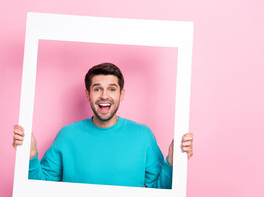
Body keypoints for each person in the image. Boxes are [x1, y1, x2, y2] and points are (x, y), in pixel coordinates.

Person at [12, 63, 193, 189]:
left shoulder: (143, 136)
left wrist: (172, 162)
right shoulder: (67, 135)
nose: (104, 95)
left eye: (112, 89)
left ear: (121, 94)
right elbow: (40, 188)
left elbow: (159, 190)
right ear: (87, 94)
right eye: (97, 89)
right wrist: (30, 157)